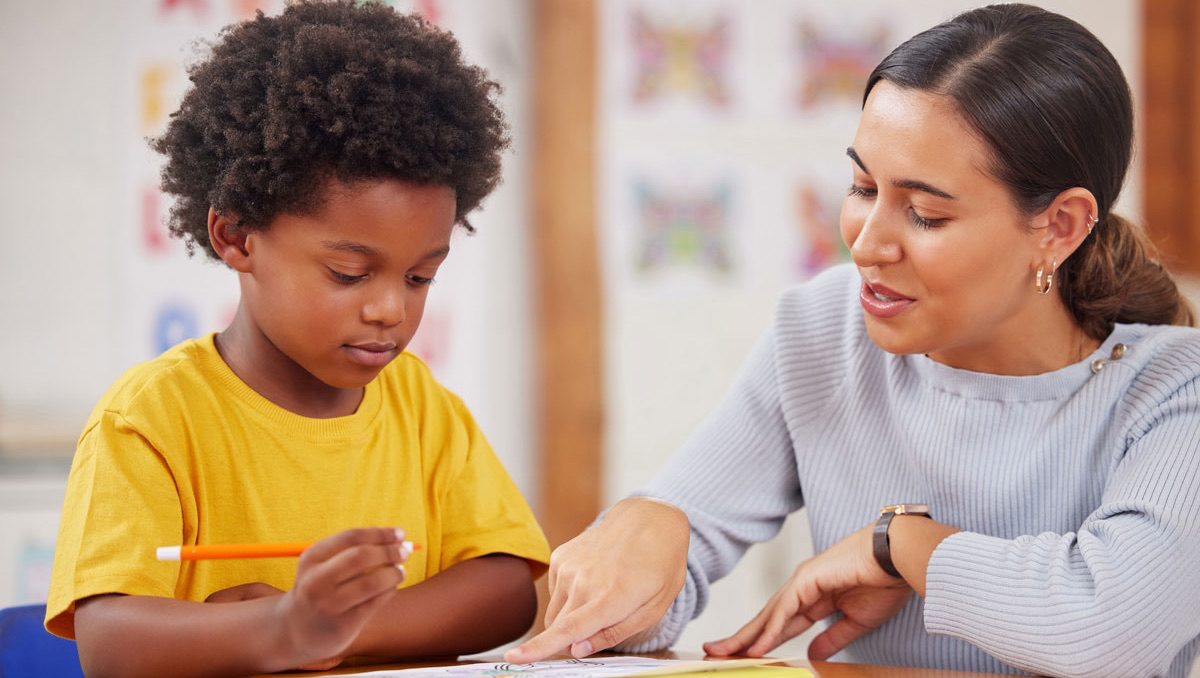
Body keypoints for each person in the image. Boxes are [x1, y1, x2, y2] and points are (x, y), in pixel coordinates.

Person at [507, 4, 1200, 677]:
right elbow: (670, 572)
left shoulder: (1176, 389)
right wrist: (649, 532)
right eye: (862, 186)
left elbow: (1109, 627)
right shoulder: (822, 331)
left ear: (1059, 226)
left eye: (925, 214)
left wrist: (902, 545)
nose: (866, 244)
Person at [44, 2, 550, 676]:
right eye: (349, 273)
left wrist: (338, 628)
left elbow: (508, 590)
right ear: (236, 236)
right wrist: (282, 628)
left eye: (420, 276)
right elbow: (109, 642)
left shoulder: (421, 408)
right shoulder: (150, 419)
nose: (388, 309)